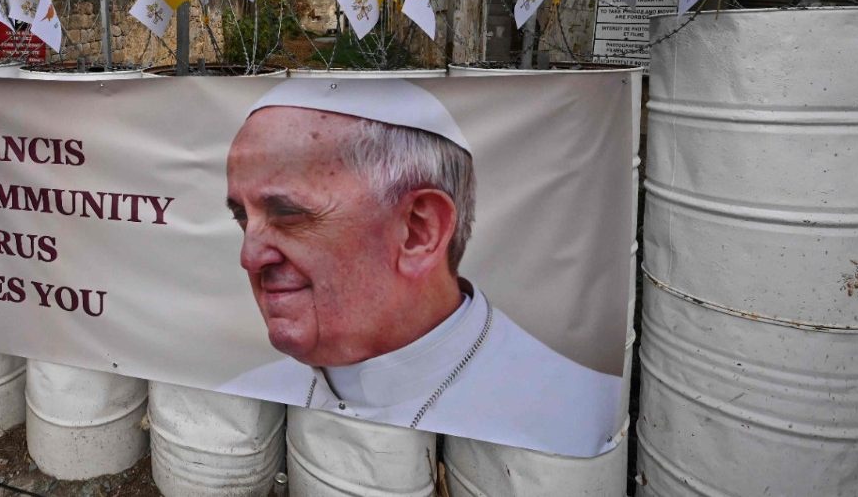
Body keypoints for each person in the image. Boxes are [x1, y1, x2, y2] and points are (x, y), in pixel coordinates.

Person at [218, 78, 620, 457]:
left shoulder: (570, 412)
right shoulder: (249, 392)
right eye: (242, 217)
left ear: (417, 231)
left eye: (288, 214)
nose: (249, 257)